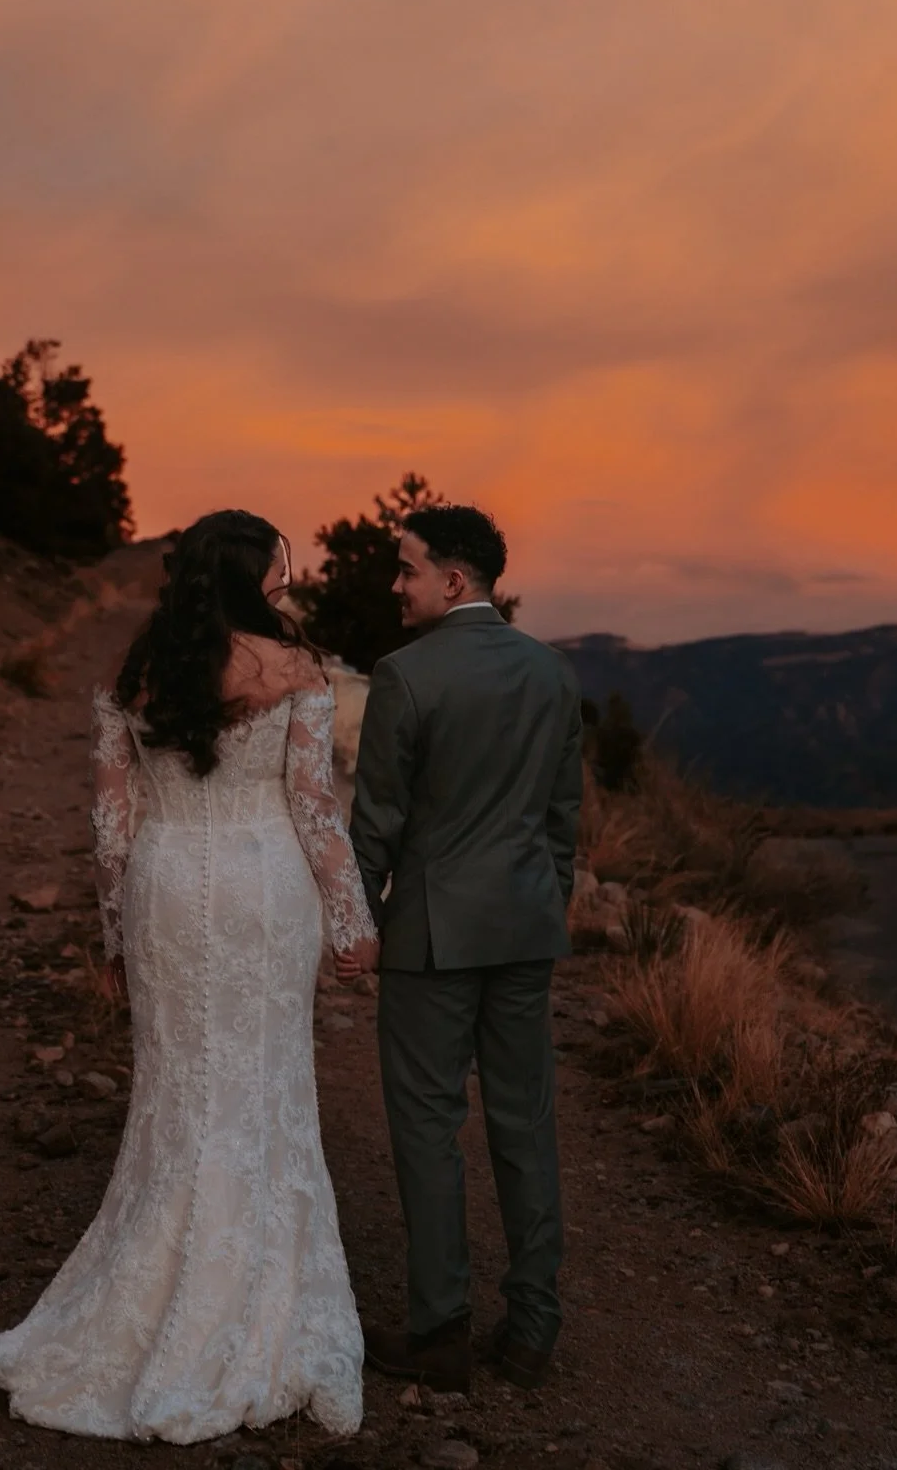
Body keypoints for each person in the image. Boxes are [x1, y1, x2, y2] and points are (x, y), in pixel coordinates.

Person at [0, 510, 380, 1443]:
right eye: (279, 571)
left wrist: (117, 937)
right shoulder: (297, 672)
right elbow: (316, 810)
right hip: (265, 888)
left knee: (178, 1088)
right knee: (264, 1084)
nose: (288, 584)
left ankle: (144, 1295)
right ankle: (252, 1302)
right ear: (249, 578)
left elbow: (111, 824)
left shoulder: (139, 674)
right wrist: (354, 925)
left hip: (164, 886)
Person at [350, 504, 582, 1394]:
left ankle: (440, 1329)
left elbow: (376, 828)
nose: (394, 585)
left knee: (427, 1129)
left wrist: (356, 929)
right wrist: (537, 909)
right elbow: (562, 823)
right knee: (526, 1122)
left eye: (406, 569)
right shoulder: (554, 675)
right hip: (525, 930)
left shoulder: (405, 677)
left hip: (431, 941)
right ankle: (532, 1330)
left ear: (454, 581)